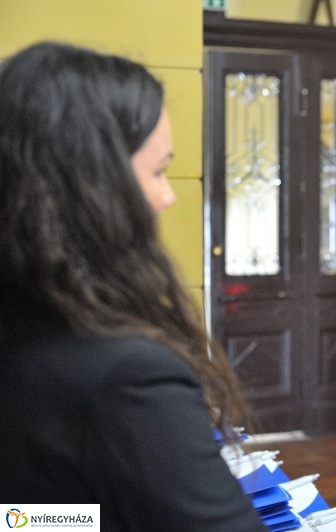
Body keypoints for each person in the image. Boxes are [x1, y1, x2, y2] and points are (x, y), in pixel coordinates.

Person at [0, 42, 270, 530]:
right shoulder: (127, 376)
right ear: (92, 186)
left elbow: (21, 515)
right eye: (159, 171)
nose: (168, 197)